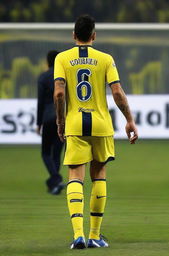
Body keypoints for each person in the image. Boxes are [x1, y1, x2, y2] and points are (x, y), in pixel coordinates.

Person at [54, 14, 138, 249]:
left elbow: (59, 93)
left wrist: (60, 121)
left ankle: (78, 235)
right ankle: (94, 236)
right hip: (101, 125)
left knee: (74, 177)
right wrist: (129, 120)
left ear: (73, 36)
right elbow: (118, 92)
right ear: (94, 35)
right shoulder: (105, 59)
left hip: (75, 124)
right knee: (99, 174)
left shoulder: (62, 58)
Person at [37, 50, 64, 195]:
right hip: (63, 118)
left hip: (48, 118)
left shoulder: (43, 77)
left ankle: (55, 179)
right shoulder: (65, 77)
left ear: (48, 61)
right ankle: (54, 183)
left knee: (46, 152)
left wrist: (38, 123)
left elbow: (41, 102)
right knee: (57, 153)